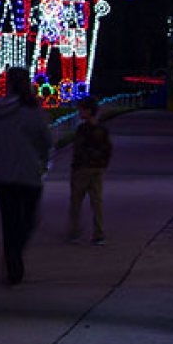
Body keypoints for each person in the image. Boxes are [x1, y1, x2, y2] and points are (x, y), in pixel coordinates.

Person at [0, 66, 53, 284]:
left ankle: (13, 261)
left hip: (1, 175)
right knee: (29, 219)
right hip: (28, 174)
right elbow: (47, 141)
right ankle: (15, 257)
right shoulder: (34, 111)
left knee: (9, 220)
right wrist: (43, 159)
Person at [67, 96, 111, 244]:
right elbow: (108, 149)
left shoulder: (83, 129)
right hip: (97, 168)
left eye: (81, 109)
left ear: (88, 111)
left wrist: (75, 166)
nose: (79, 112)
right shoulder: (102, 129)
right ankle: (99, 233)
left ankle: (74, 232)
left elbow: (78, 150)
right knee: (97, 202)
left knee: (76, 202)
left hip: (82, 168)